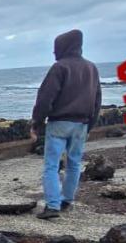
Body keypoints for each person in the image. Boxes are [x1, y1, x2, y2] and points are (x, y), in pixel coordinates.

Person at [30, 29, 101, 219]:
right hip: (82, 124)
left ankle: (52, 206)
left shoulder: (60, 67)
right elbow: (97, 100)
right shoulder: (91, 68)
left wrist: (37, 123)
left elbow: (45, 98)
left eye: (56, 48)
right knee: (74, 163)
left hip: (59, 123)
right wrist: (90, 125)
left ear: (63, 47)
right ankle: (67, 199)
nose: (54, 52)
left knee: (51, 165)